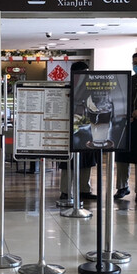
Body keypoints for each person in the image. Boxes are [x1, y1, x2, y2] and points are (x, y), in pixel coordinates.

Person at [114, 52, 137, 201]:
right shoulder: (129, 80)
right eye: (135, 63)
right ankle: (122, 187)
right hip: (127, 122)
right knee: (122, 156)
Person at [59, 61, 97, 200]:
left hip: (87, 128)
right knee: (68, 160)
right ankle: (65, 190)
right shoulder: (67, 88)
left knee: (87, 160)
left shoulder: (91, 88)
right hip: (70, 129)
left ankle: (84, 190)